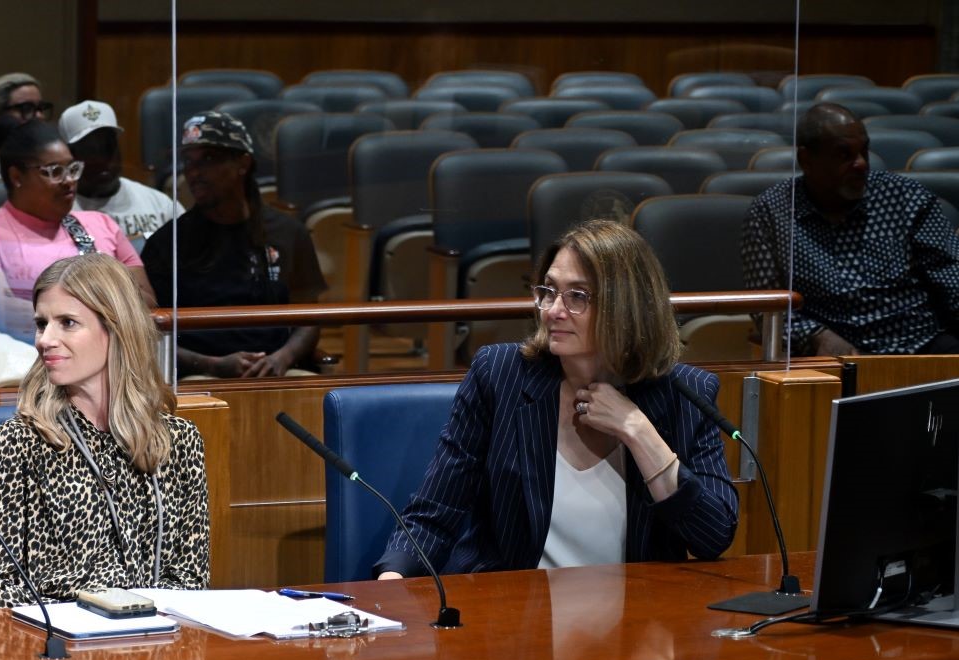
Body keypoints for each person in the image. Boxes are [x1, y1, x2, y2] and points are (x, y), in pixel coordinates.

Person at [375, 219, 737, 579]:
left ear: (628, 308)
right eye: (549, 291)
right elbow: (436, 511)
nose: (553, 310)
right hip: (512, 617)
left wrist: (639, 432)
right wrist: (392, 583)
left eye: (577, 296)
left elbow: (713, 536)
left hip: (636, 623)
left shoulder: (686, 393)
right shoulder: (500, 376)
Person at [0, 253, 209, 610]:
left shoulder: (179, 441)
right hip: (58, 648)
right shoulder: (18, 443)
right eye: (42, 323)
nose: (45, 340)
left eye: (68, 323)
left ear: (116, 327)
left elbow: (192, 580)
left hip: (156, 642)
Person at [741, 102, 959, 355]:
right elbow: (767, 308)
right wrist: (815, 336)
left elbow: (951, 281)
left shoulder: (906, 197)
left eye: (863, 152)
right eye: (844, 155)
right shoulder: (771, 212)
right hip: (830, 355)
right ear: (806, 160)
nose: (861, 164)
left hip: (919, 343)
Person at [141, 112, 325, 379]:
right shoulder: (168, 242)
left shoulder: (288, 233)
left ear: (243, 163)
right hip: (200, 373)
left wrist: (282, 358)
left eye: (208, 160)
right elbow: (149, 332)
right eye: (188, 162)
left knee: (313, 390)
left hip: (277, 368)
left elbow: (309, 319)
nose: (194, 173)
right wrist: (211, 364)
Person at [0, 120, 153, 346]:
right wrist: (97, 310)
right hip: (32, 364)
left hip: (113, 361)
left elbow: (147, 303)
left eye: (73, 169)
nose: (69, 181)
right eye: (55, 171)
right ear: (17, 177)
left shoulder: (101, 224)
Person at [60, 100, 179, 251]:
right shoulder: (59, 212)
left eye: (108, 146)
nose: (101, 158)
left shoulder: (160, 205)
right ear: (69, 156)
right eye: (89, 150)